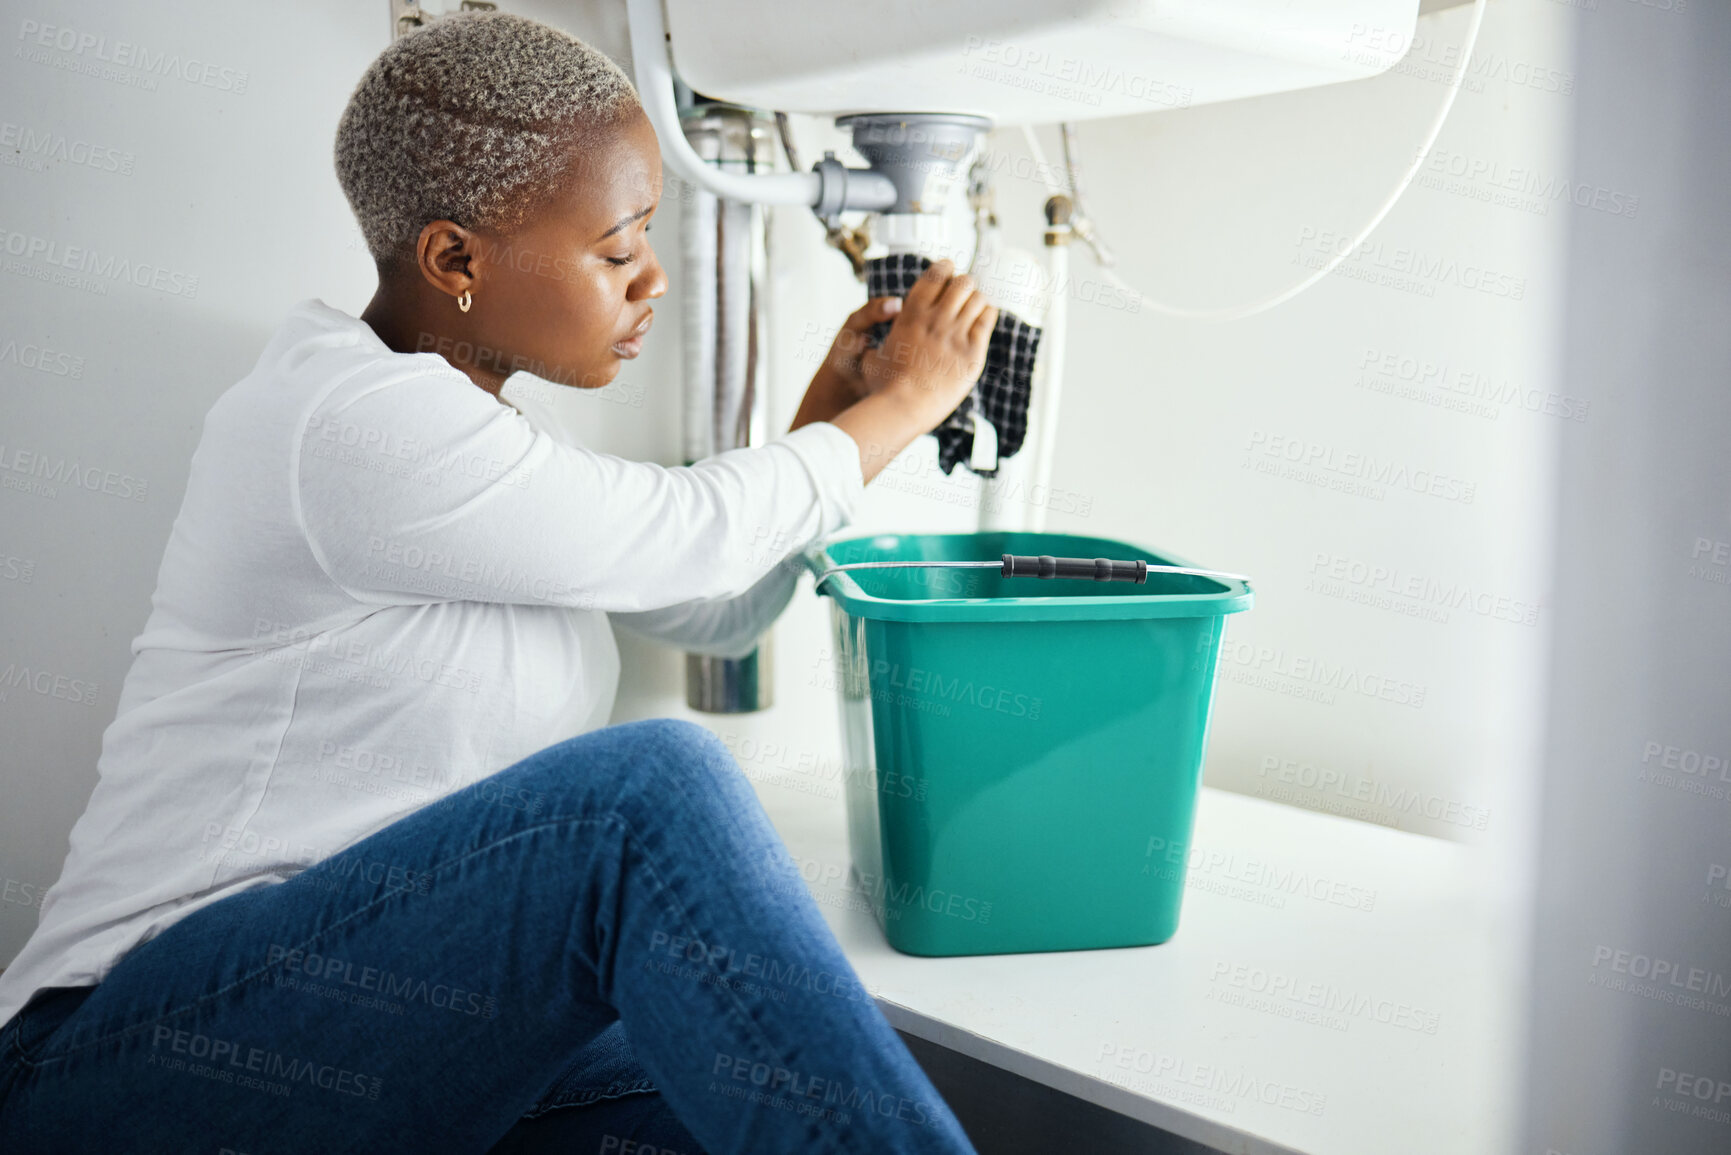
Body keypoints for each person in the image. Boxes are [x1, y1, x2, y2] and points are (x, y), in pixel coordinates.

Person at [0, 12, 996, 1153]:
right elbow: (696, 538)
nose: (654, 280)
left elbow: (715, 610)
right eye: (617, 249)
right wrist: (900, 408)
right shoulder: (346, 421)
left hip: (372, 1032)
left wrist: (826, 423)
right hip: (118, 1059)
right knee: (643, 795)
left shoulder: (490, 456)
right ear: (455, 261)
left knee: (751, 1091)